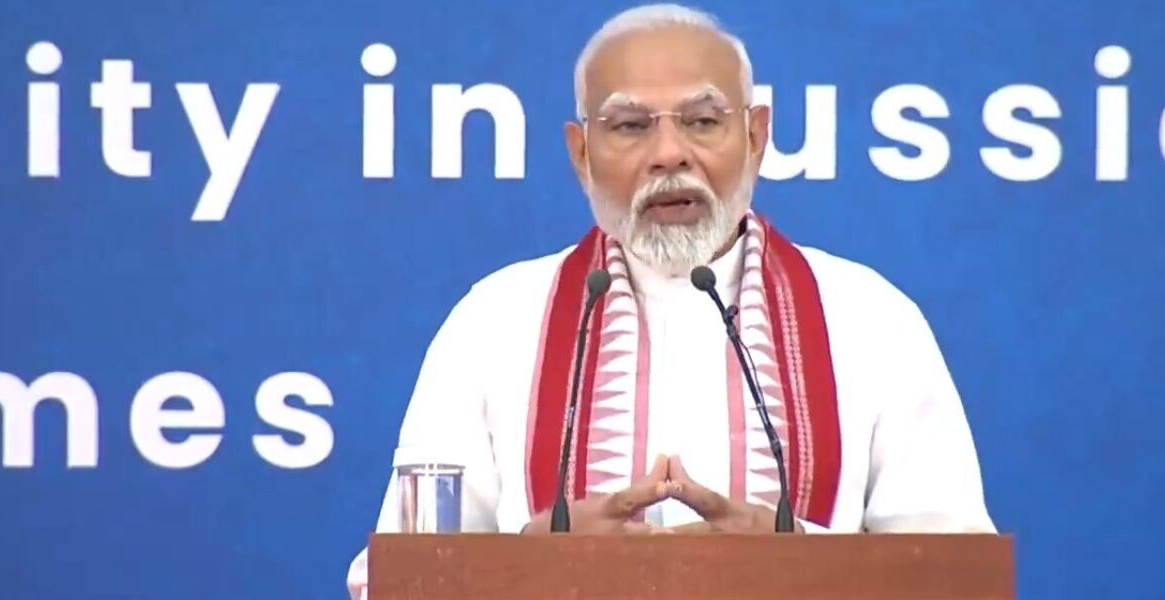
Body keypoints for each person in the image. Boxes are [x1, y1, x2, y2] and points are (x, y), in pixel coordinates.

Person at [346, 3, 996, 597]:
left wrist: (800, 562)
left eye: (702, 121)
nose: (668, 154)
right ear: (580, 154)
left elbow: (950, 577)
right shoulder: (494, 321)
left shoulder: (869, 319)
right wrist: (528, 565)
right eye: (628, 126)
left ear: (755, 136)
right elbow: (392, 581)